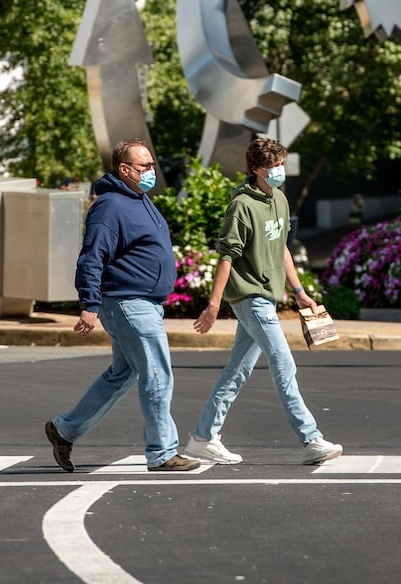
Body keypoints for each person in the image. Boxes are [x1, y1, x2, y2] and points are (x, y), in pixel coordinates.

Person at [186, 137, 343, 465]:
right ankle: (311, 438)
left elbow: (282, 248)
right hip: (250, 298)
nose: (279, 171)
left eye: (281, 164)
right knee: (284, 364)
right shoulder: (241, 205)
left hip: (268, 299)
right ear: (255, 170)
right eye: (272, 167)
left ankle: (202, 437)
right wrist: (214, 305)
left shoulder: (281, 201)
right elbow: (226, 256)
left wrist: (299, 292)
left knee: (237, 371)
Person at [45, 139, 200, 473]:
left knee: (122, 374)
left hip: (143, 304)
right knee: (157, 375)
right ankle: (162, 453)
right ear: (124, 169)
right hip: (129, 303)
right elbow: (92, 257)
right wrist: (89, 303)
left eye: (152, 166)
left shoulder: (139, 200)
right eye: (143, 167)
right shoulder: (110, 206)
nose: (150, 172)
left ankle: (64, 429)